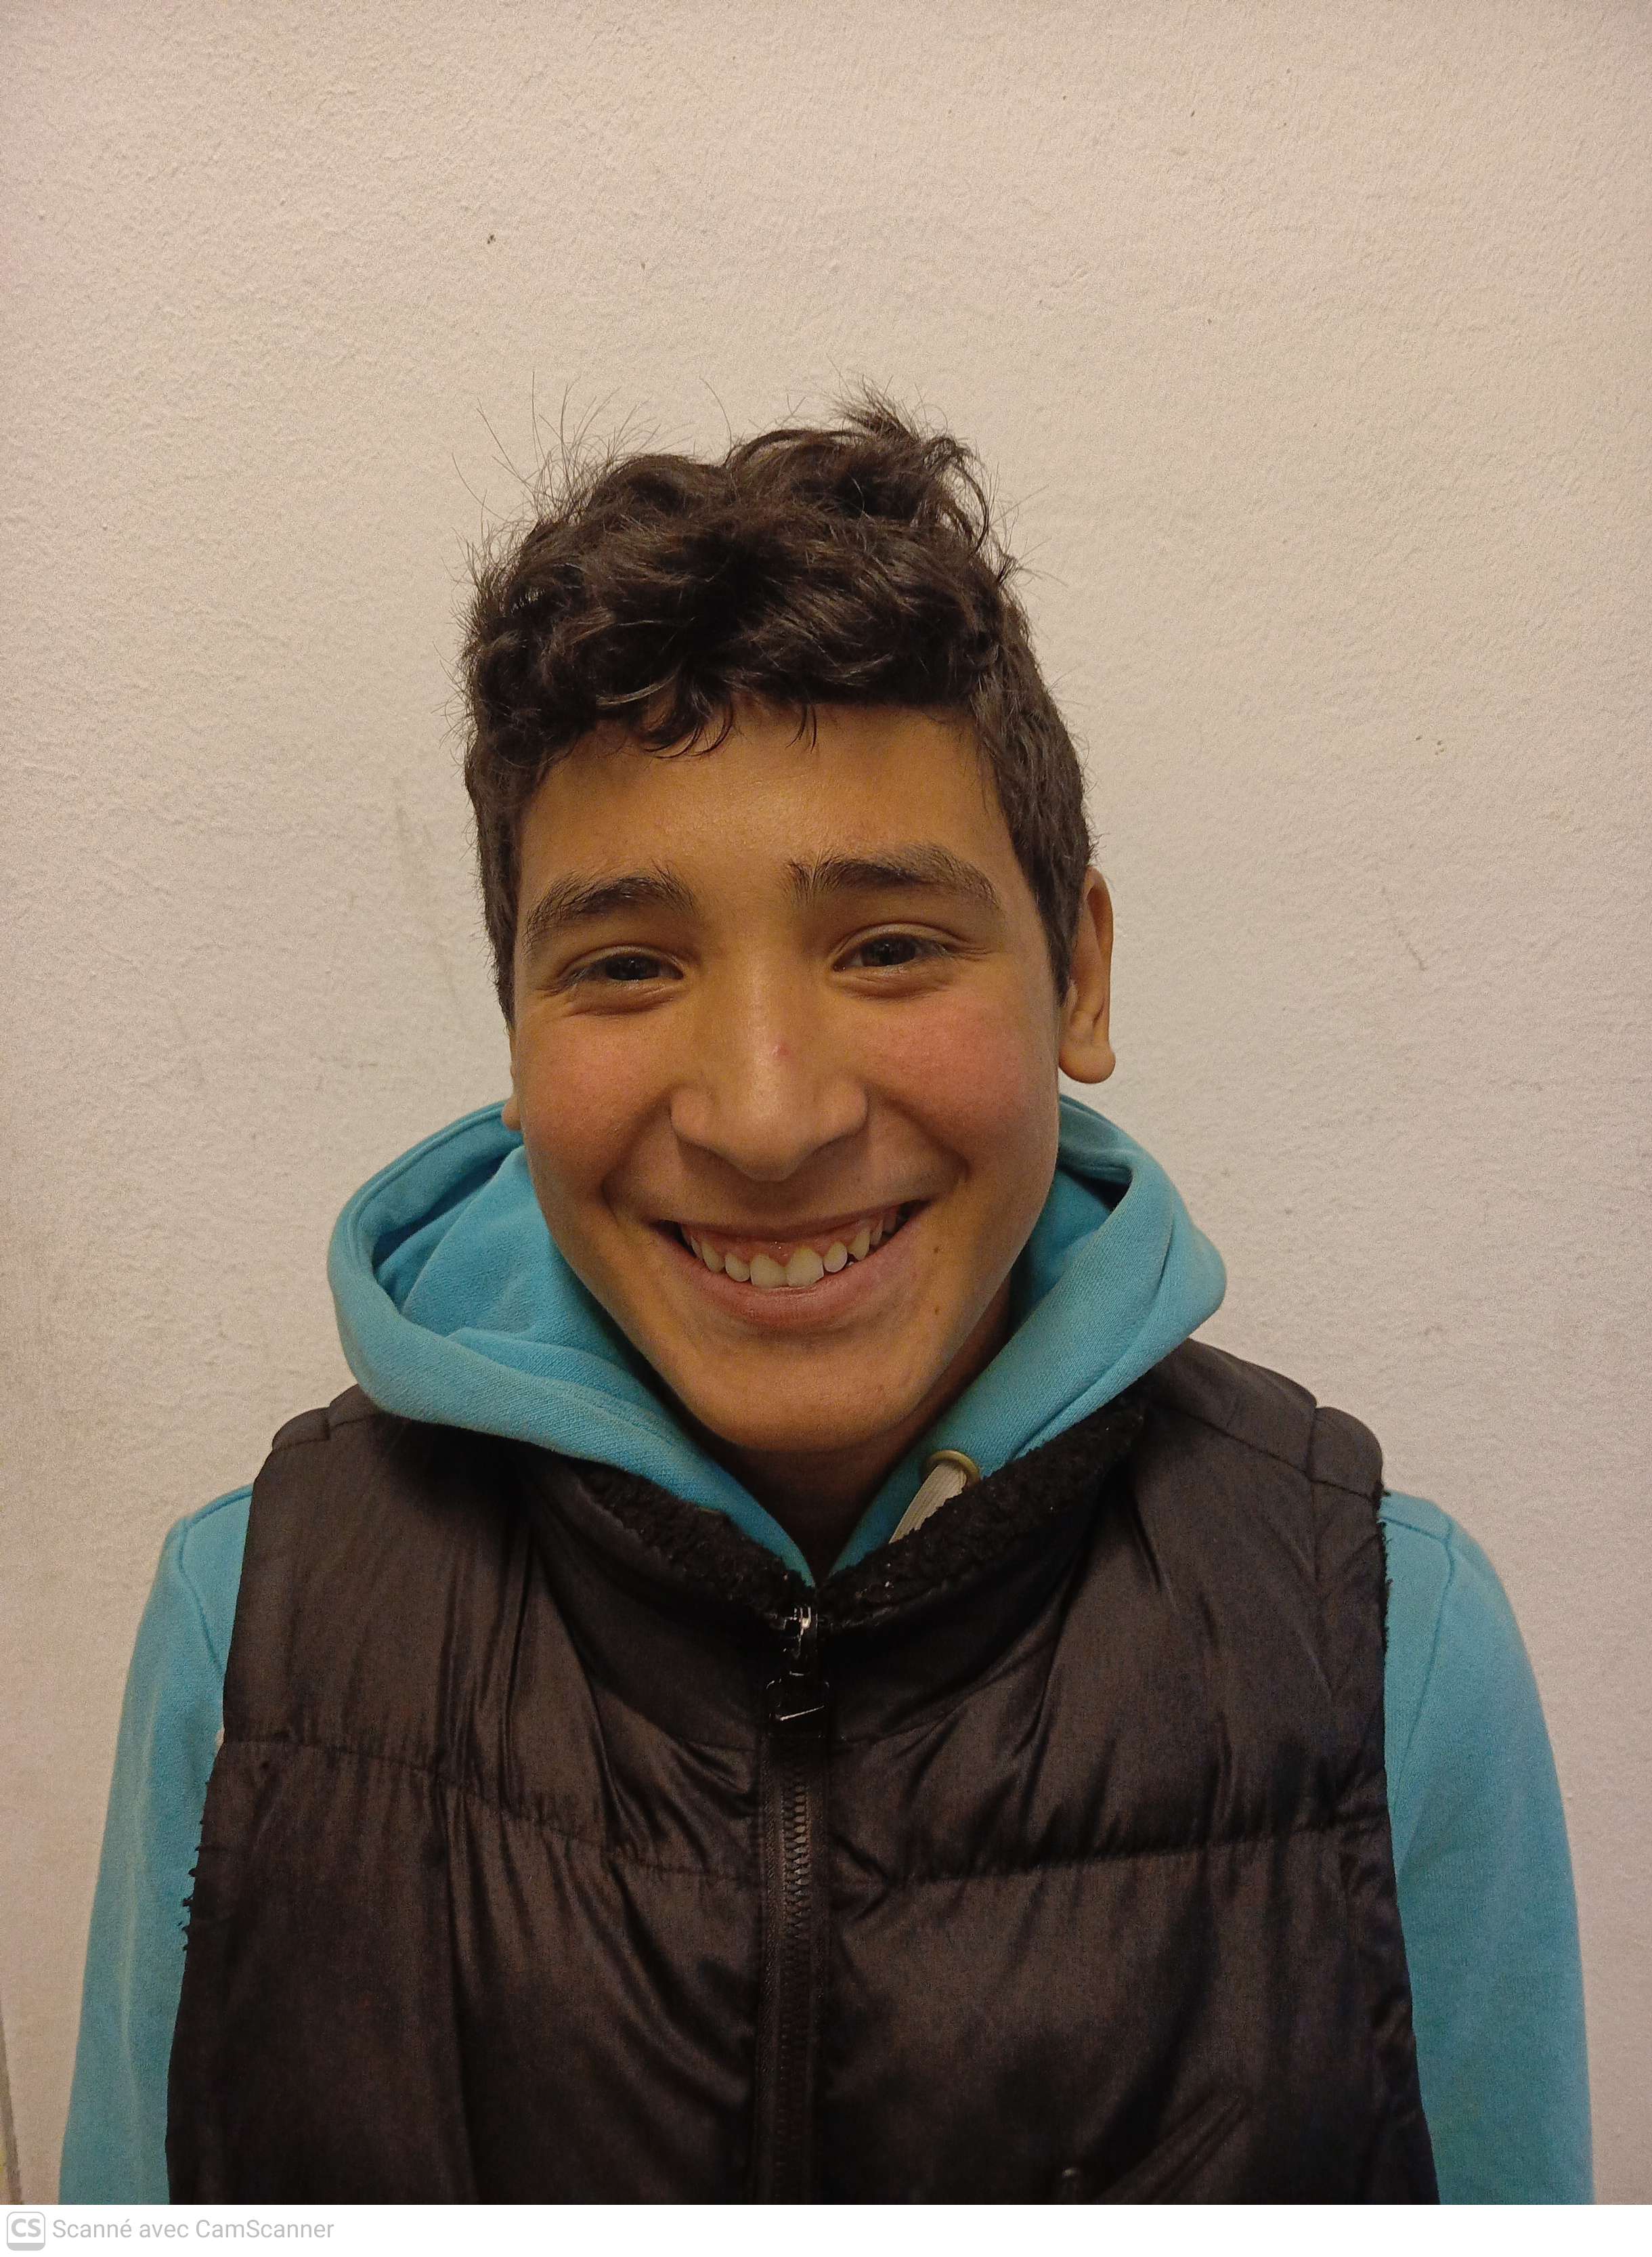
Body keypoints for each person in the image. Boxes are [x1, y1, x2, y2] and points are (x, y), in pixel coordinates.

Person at [62, 395, 1590, 2204]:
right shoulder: (252, 1627)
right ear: (516, 1031)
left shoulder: (1387, 1644)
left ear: (1078, 976)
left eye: (889, 947)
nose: (768, 1118)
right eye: (626, 967)